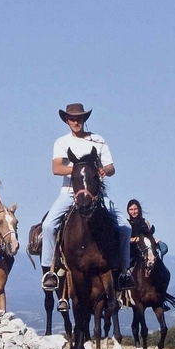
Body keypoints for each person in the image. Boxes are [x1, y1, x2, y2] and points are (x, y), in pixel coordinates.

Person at [41, 103, 134, 306]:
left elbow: (111, 166)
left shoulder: (98, 140)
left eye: (79, 118)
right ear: (66, 120)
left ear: (84, 120)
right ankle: (50, 272)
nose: (76, 121)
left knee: (125, 227)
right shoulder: (61, 142)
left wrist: (102, 171)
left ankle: (124, 272)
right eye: (72, 118)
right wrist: (81, 170)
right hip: (69, 192)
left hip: (96, 193)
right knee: (48, 226)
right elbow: (56, 168)